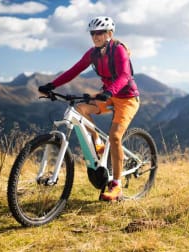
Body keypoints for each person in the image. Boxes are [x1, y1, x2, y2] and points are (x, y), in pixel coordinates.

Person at [38, 16, 140, 201]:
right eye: (93, 33)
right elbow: (74, 71)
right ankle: (98, 142)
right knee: (80, 109)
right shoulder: (92, 54)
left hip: (127, 98)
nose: (95, 36)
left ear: (109, 34)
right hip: (108, 95)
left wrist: (109, 92)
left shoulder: (118, 50)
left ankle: (116, 185)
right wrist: (52, 85)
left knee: (115, 137)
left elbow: (125, 75)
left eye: (100, 33)